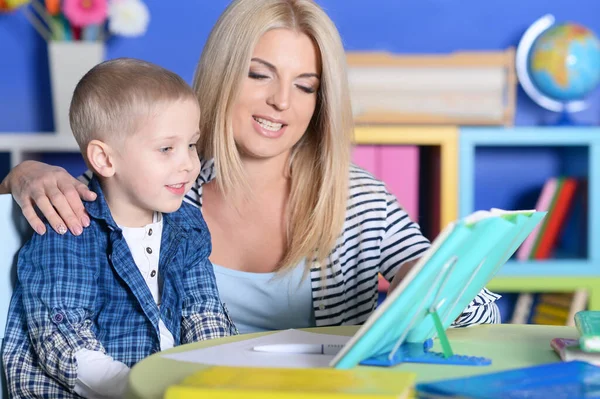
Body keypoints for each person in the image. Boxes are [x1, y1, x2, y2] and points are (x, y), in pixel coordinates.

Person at [0, 0, 500, 335]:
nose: (282, 101)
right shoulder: (162, 181)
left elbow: (486, 316)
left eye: (306, 86)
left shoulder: (354, 196)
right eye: (260, 75)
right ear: (223, 72)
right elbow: (42, 218)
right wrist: (23, 177)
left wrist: (432, 284)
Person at [2, 58, 237, 398]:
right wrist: (139, 389)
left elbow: (203, 310)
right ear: (105, 160)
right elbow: (62, 337)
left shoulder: (187, 224)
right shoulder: (68, 226)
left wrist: (218, 376)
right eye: (166, 148)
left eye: (191, 145)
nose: (188, 163)